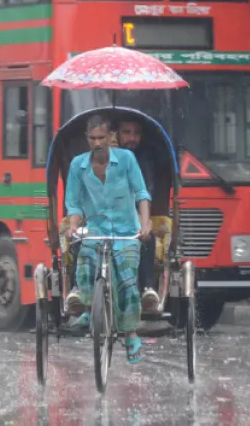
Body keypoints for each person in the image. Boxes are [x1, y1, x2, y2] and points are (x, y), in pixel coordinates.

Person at [63, 115, 152, 364]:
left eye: (102, 137)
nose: (98, 143)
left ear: (110, 137)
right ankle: (91, 308)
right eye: (93, 139)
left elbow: (142, 193)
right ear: (87, 139)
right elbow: (73, 202)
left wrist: (144, 224)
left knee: (126, 273)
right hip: (96, 228)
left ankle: (131, 333)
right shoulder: (77, 166)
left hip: (126, 231)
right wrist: (73, 227)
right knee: (86, 260)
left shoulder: (126, 160)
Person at [116, 119, 161, 313]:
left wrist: (144, 223)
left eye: (136, 133)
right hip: (103, 217)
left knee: (146, 239)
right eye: (126, 132)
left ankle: (147, 287)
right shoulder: (97, 160)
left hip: (132, 215)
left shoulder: (143, 160)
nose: (131, 138)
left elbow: (144, 193)